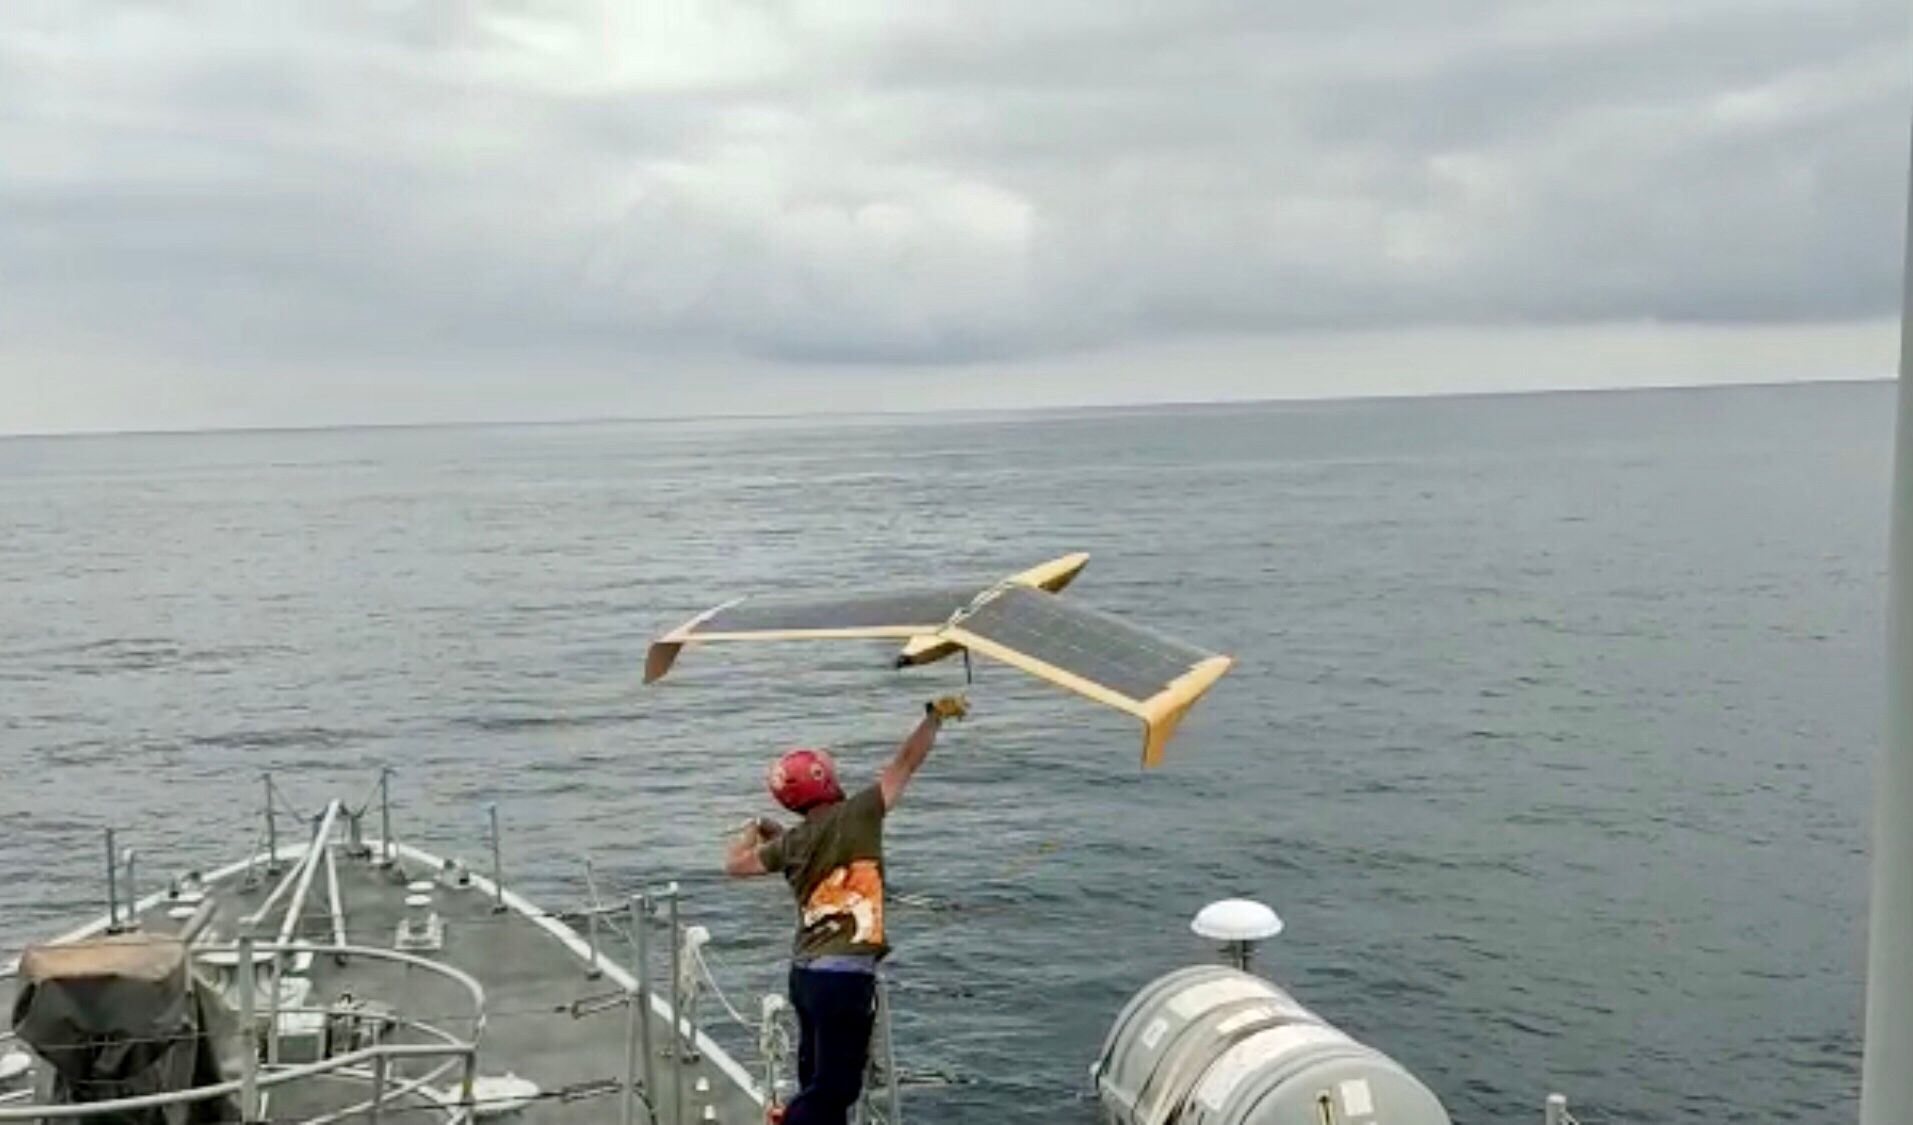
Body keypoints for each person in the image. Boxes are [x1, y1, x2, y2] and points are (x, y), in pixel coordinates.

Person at [723, 695, 969, 1125]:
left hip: (804, 975)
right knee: (838, 1088)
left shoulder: (790, 843)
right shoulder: (861, 813)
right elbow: (906, 762)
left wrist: (754, 828)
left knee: (817, 1083)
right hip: (844, 977)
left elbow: (736, 865)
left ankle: (796, 1115)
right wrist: (934, 717)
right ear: (824, 781)